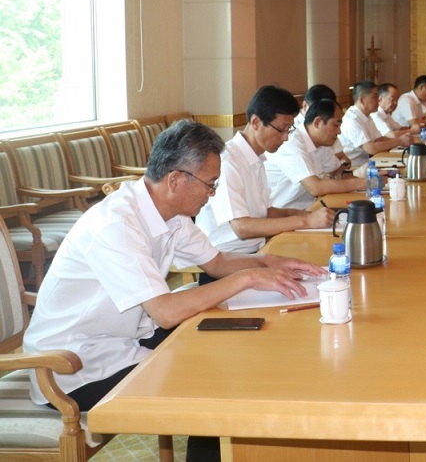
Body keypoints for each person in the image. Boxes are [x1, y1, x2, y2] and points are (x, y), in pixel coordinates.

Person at [22, 120, 322, 413]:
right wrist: (249, 277)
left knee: (226, 344)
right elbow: (166, 313)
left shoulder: (171, 211)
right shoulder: (117, 225)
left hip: (126, 333)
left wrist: (269, 261)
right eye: (210, 184)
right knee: (206, 380)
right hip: (73, 365)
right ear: (176, 180)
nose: (212, 193)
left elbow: (217, 263)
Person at [195, 85, 335, 258]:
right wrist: (306, 221)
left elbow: (266, 212)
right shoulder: (227, 161)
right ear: (256, 122)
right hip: (225, 258)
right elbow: (241, 227)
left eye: (289, 130)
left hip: (256, 250)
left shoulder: (257, 158)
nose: (285, 137)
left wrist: (309, 215)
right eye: (281, 130)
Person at [265, 98, 367, 209]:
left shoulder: (321, 143)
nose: (339, 132)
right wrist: (365, 182)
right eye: (335, 125)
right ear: (317, 122)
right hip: (283, 213)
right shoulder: (292, 143)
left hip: (309, 208)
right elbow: (316, 187)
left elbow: (338, 170)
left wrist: (347, 176)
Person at [339, 80, 413, 166]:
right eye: (375, 97)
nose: (378, 100)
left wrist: (403, 139)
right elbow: (370, 148)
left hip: (368, 162)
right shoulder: (352, 120)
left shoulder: (367, 115)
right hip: (353, 167)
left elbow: (379, 139)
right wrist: (399, 141)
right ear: (362, 100)